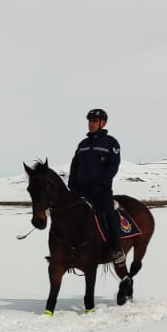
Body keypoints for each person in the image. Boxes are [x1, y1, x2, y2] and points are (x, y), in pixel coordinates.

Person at [68, 107, 123, 262]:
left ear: (102, 123)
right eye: (89, 121)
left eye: (94, 121)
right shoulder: (83, 144)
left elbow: (113, 166)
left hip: (101, 190)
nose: (91, 124)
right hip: (81, 190)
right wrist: (72, 183)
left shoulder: (111, 142)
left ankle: (117, 249)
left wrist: (102, 184)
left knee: (108, 213)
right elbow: (75, 164)